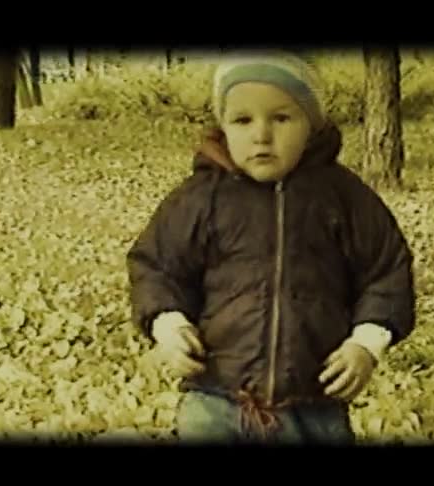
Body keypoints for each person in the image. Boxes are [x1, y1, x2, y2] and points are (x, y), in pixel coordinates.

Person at [126, 50, 416, 444]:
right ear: (224, 126)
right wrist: (169, 324)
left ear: (311, 125)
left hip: (317, 403)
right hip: (216, 400)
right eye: (243, 120)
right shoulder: (200, 198)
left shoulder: (343, 198)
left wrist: (366, 343)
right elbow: (156, 266)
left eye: (281, 118)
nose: (261, 135)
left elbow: (387, 270)